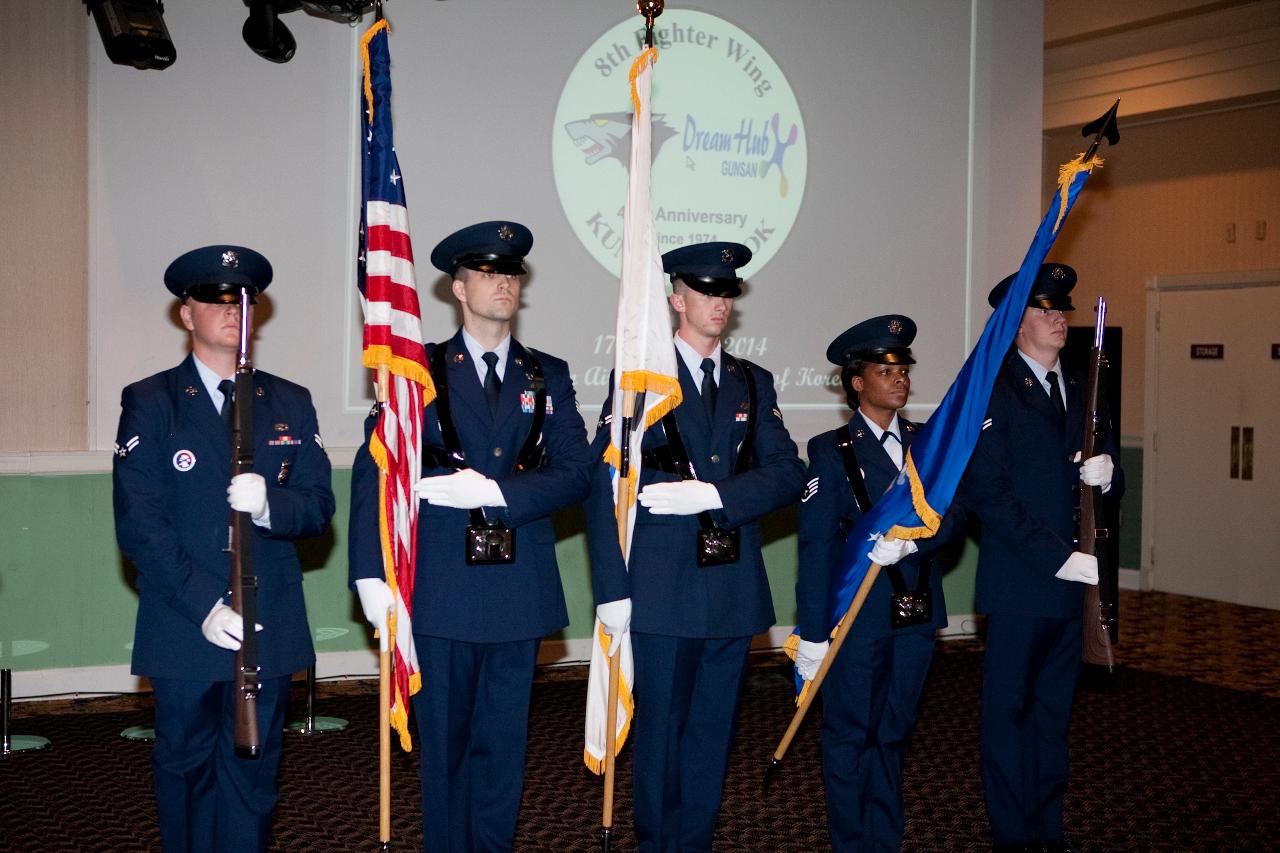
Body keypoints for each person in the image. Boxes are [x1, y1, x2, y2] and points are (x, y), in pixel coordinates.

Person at [348, 220, 594, 852]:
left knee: (503, 749)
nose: (502, 284)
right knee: (446, 749)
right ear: (457, 287)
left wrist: (499, 493)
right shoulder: (416, 369)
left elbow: (576, 471)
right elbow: (373, 467)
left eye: (511, 274)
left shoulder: (549, 375)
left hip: (518, 588)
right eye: (487, 273)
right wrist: (370, 574)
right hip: (440, 588)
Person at [112, 245, 335, 852]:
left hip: (270, 618)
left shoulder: (290, 400)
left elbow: (318, 508)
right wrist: (205, 605)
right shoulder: (152, 400)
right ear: (187, 314)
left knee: (253, 777)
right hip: (185, 621)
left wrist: (271, 507)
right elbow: (140, 522)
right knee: (185, 770)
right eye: (214, 298)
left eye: (243, 299)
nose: (232, 310)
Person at [586, 242, 805, 853]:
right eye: (708, 292)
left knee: (712, 733)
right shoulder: (638, 378)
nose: (720, 304)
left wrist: (715, 495)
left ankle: (696, 841)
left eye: (728, 293)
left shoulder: (751, 381)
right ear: (676, 299)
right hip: (663, 582)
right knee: (661, 731)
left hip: (731, 582)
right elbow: (610, 478)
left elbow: (789, 472)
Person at [962, 263, 1122, 853]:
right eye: (1045, 309)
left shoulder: (1083, 388)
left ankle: (1046, 827)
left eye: (1064, 309)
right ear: (1014, 323)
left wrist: (1109, 475)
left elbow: (1105, 470)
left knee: (1054, 713)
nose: (1059, 318)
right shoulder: (994, 391)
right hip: (1021, 580)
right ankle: (1012, 832)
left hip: (1072, 583)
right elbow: (990, 494)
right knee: (1009, 714)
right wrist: (1059, 558)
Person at [793, 314, 967, 852]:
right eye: (885, 369)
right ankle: (851, 841)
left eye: (903, 368)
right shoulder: (831, 450)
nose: (899, 378)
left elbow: (957, 511)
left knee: (893, 731)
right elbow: (817, 546)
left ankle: (884, 838)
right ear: (856, 381)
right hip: (860, 617)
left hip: (915, 611)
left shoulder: (927, 442)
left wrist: (918, 543)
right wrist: (813, 632)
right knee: (850, 733)